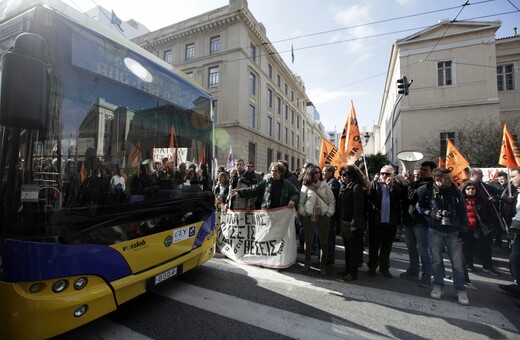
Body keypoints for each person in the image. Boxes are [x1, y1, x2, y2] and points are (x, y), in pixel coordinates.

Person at [417, 167, 469, 305]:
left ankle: (460, 289)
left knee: (457, 262)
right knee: (436, 260)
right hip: (435, 230)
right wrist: (431, 213)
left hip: (454, 230)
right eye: (446, 178)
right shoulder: (427, 190)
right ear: (437, 179)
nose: (450, 180)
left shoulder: (455, 192)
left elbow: (463, 211)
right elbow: (420, 207)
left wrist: (464, 229)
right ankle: (438, 285)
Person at [400, 161, 436, 287]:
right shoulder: (416, 183)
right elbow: (405, 197)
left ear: (432, 171)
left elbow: (412, 197)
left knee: (423, 250)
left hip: (421, 221)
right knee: (411, 248)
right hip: (410, 220)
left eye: (425, 170)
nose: (422, 171)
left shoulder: (431, 185)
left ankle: (427, 275)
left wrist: (409, 184)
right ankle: (414, 270)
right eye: (421, 169)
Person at [367, 165, 404, 278]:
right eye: (382, 173)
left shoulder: (396, 186)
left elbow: (401, 196)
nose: (384, 176)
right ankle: (372, 267)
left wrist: (391, 186)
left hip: (390, 222)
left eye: (387, 174)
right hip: (376, 221)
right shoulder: (374, 184)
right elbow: (370, 199)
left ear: (393, 175)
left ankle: (384, 268)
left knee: (386, 247)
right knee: (374, 246)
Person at [298, 165, 336, 275]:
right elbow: (301, 202)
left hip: (323, 216)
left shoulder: (325, 185)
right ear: (310, 174)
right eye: (315, 172)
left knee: (323, 242)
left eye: (319, 172)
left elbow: (331, 200)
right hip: (309, 216)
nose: (318, 174)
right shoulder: (305, 186)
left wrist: (329, 213)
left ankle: (322, 264)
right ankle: (307, 262)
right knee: (308, 241)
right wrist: (303, 212)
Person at [459, 180, 500, 276]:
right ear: (464, 190)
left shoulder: (483, 200)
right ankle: (469, 264)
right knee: (467, 248)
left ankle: (487, 266)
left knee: (485, 248)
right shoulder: (460, 200)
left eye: (473, 189)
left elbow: (490, 213)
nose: (471, 190)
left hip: (481, 228)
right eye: (468, 189)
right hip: (466, 228)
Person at [469, 168, 503, 274]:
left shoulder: (484, 186)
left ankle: (487, 265)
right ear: (473, 174)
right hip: (471, 219)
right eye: (479, 175)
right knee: (470, 243)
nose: (481, 177)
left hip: (484, 220)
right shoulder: (466, 185)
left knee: (486, 243)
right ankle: (468, 264)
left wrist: (495, 199)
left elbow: (498, 194)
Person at [230, 162, 299, 210]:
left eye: (275, 171)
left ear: (280, 172)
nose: (273, 173)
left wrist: (293, 200)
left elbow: (296, 193)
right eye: (272, 171)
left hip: (281, 215)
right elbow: (254, 190)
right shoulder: (266, 182)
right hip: (268, 212)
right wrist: (239, 191)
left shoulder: (287, 184)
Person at [337, 165, 365, 281]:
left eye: (345, 175)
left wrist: (354, 224)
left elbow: (358, 208)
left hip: (352, 223)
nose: (342, 177)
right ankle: (348, 269)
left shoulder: (356, 187)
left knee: (353, 249)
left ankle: (353, 272)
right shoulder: (344, 186)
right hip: (344, 221)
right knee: (347, 248)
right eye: (341, 175)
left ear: (351, 175)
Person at [499, 167, 520, 297]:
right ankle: (517, 284)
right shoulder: (517, 192)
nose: (510, 180)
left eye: (513, 176)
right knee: (515, 259)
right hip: (517, 231)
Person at [322, 164, 340, 265]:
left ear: (331, 172)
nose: (322, 173)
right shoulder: (328, 182)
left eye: (325, 171)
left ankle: (329, 258)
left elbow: (328, 196)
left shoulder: (333, 183)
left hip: (329, 215)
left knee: (329, 237)